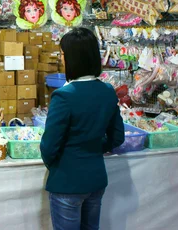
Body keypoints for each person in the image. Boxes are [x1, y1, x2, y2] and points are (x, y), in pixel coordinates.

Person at [40, 27, 124, 230]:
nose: (61, 59)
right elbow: (117, 137)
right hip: (95, 179)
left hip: (68, 181)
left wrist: (62, 162)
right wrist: (93, 148)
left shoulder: (64, 96)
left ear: (72, 58)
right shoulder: (107, 91)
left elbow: (49, 146)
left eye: (62, 54)